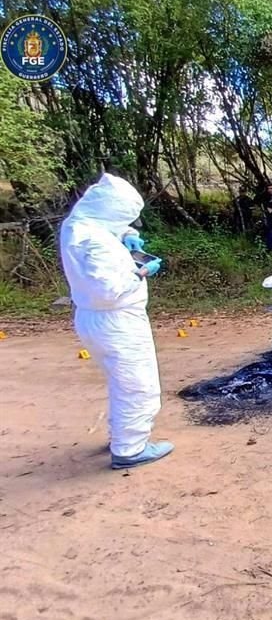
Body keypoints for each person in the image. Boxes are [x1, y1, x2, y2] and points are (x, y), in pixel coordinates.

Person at [59, 173, 174, 470]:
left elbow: (104, 230)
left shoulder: (78, 226)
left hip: (92, 317)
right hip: (116, 320)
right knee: (138, 385)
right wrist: (141, 271)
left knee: (120, 381)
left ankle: (121, 437)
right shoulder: (95, 242)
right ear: (112, 208)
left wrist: (125, 236)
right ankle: (130, 450)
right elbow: (109, 289)